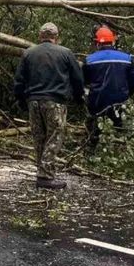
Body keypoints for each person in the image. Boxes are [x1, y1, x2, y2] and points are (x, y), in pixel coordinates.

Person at [14, 22, 85, 190]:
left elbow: (19, 80)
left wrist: (20, 99)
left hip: (34, 101)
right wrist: (78, 96)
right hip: (55, 101)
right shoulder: (66, 53)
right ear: (56, 37)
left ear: (40, 36)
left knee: (39, 138)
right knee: (54, 137)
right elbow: (77, 79)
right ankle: (45, 176)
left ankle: (42, 172)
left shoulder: (28, 53)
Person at [82, 25, 134, 152]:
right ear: (113, 41)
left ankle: (90, 153)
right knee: (122, 131)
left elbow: (84, 81)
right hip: (120, 101)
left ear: (97, 42)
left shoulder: (89, 60)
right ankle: (123, 153)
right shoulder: (126, 58)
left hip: (97, 102)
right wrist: (127, 94)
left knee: (93, 132)